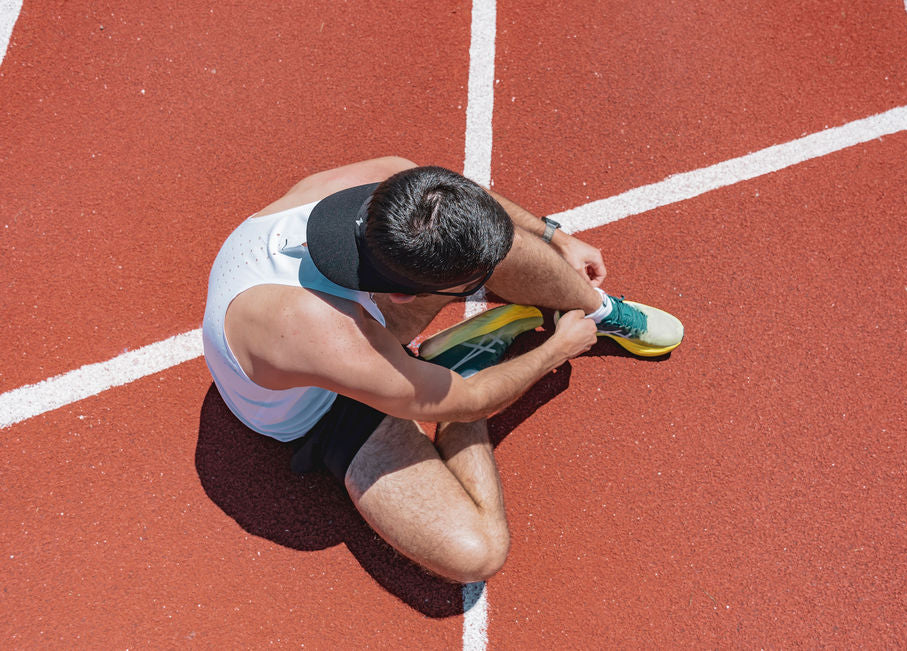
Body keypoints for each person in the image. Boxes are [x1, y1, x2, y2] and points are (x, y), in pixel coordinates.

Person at [202, 156, 683, 583]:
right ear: (405, 296)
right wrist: (557, 350)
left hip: (346, 326)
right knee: (478, 554)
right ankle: (461, 366)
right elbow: (470, 401)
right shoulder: (328, 334)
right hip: (322, 409)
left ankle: (597, 308)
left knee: (479, 239)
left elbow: (464, 198)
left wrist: (554, 236)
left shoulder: (384, 183)